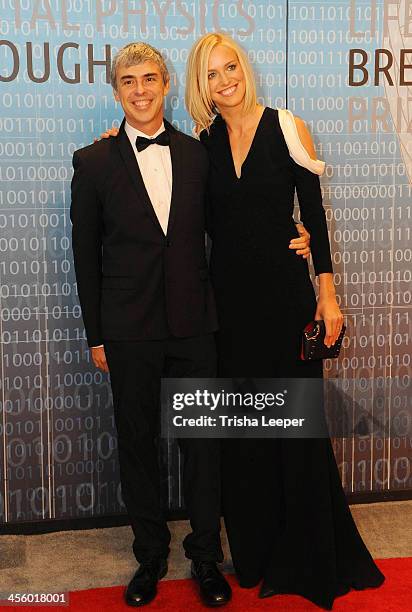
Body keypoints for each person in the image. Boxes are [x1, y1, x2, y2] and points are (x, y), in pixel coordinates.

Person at [184, 32, 385, 610]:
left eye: (230, 68)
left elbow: (314, 220)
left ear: (243, 68)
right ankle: (257, 550)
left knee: (294, 427)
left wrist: (328, 296)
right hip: (227, 310)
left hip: (282, 302)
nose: (224, 81)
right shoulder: (202, 143)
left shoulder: (288, 126)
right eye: (211, 75)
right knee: (245, 433)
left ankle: (306, 552)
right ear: (202, 87)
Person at [70, 42, 234, 608]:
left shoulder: (196, 155)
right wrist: (96, 334)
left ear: (165, 86)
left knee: (203, 446)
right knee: (138, 445)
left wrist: (300, 240)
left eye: (149, 79)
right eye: (128, 82)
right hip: (128, 330)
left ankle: (206, 558)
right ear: (115, 92)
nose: (140, 90)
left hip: (193, 325)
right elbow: (84, 257)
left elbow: (229, 231)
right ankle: (149, 556)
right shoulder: (91, 163)